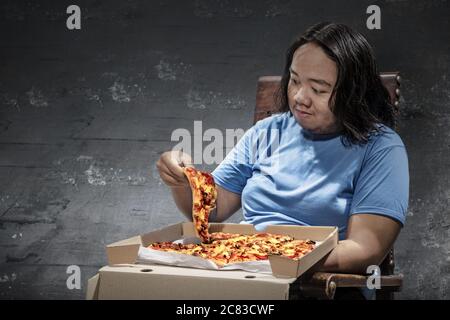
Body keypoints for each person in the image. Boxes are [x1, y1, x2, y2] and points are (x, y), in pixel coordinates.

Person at [156, 22, 409, 281]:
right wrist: (182, 181)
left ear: (354, 93)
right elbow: (212, 210)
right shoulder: (266, 132)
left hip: (314, 282)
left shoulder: (381, 148)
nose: (300, 97)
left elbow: (365, 251)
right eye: (295, 80)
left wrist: (271, 257)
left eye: (319, 89)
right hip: (241, 270)